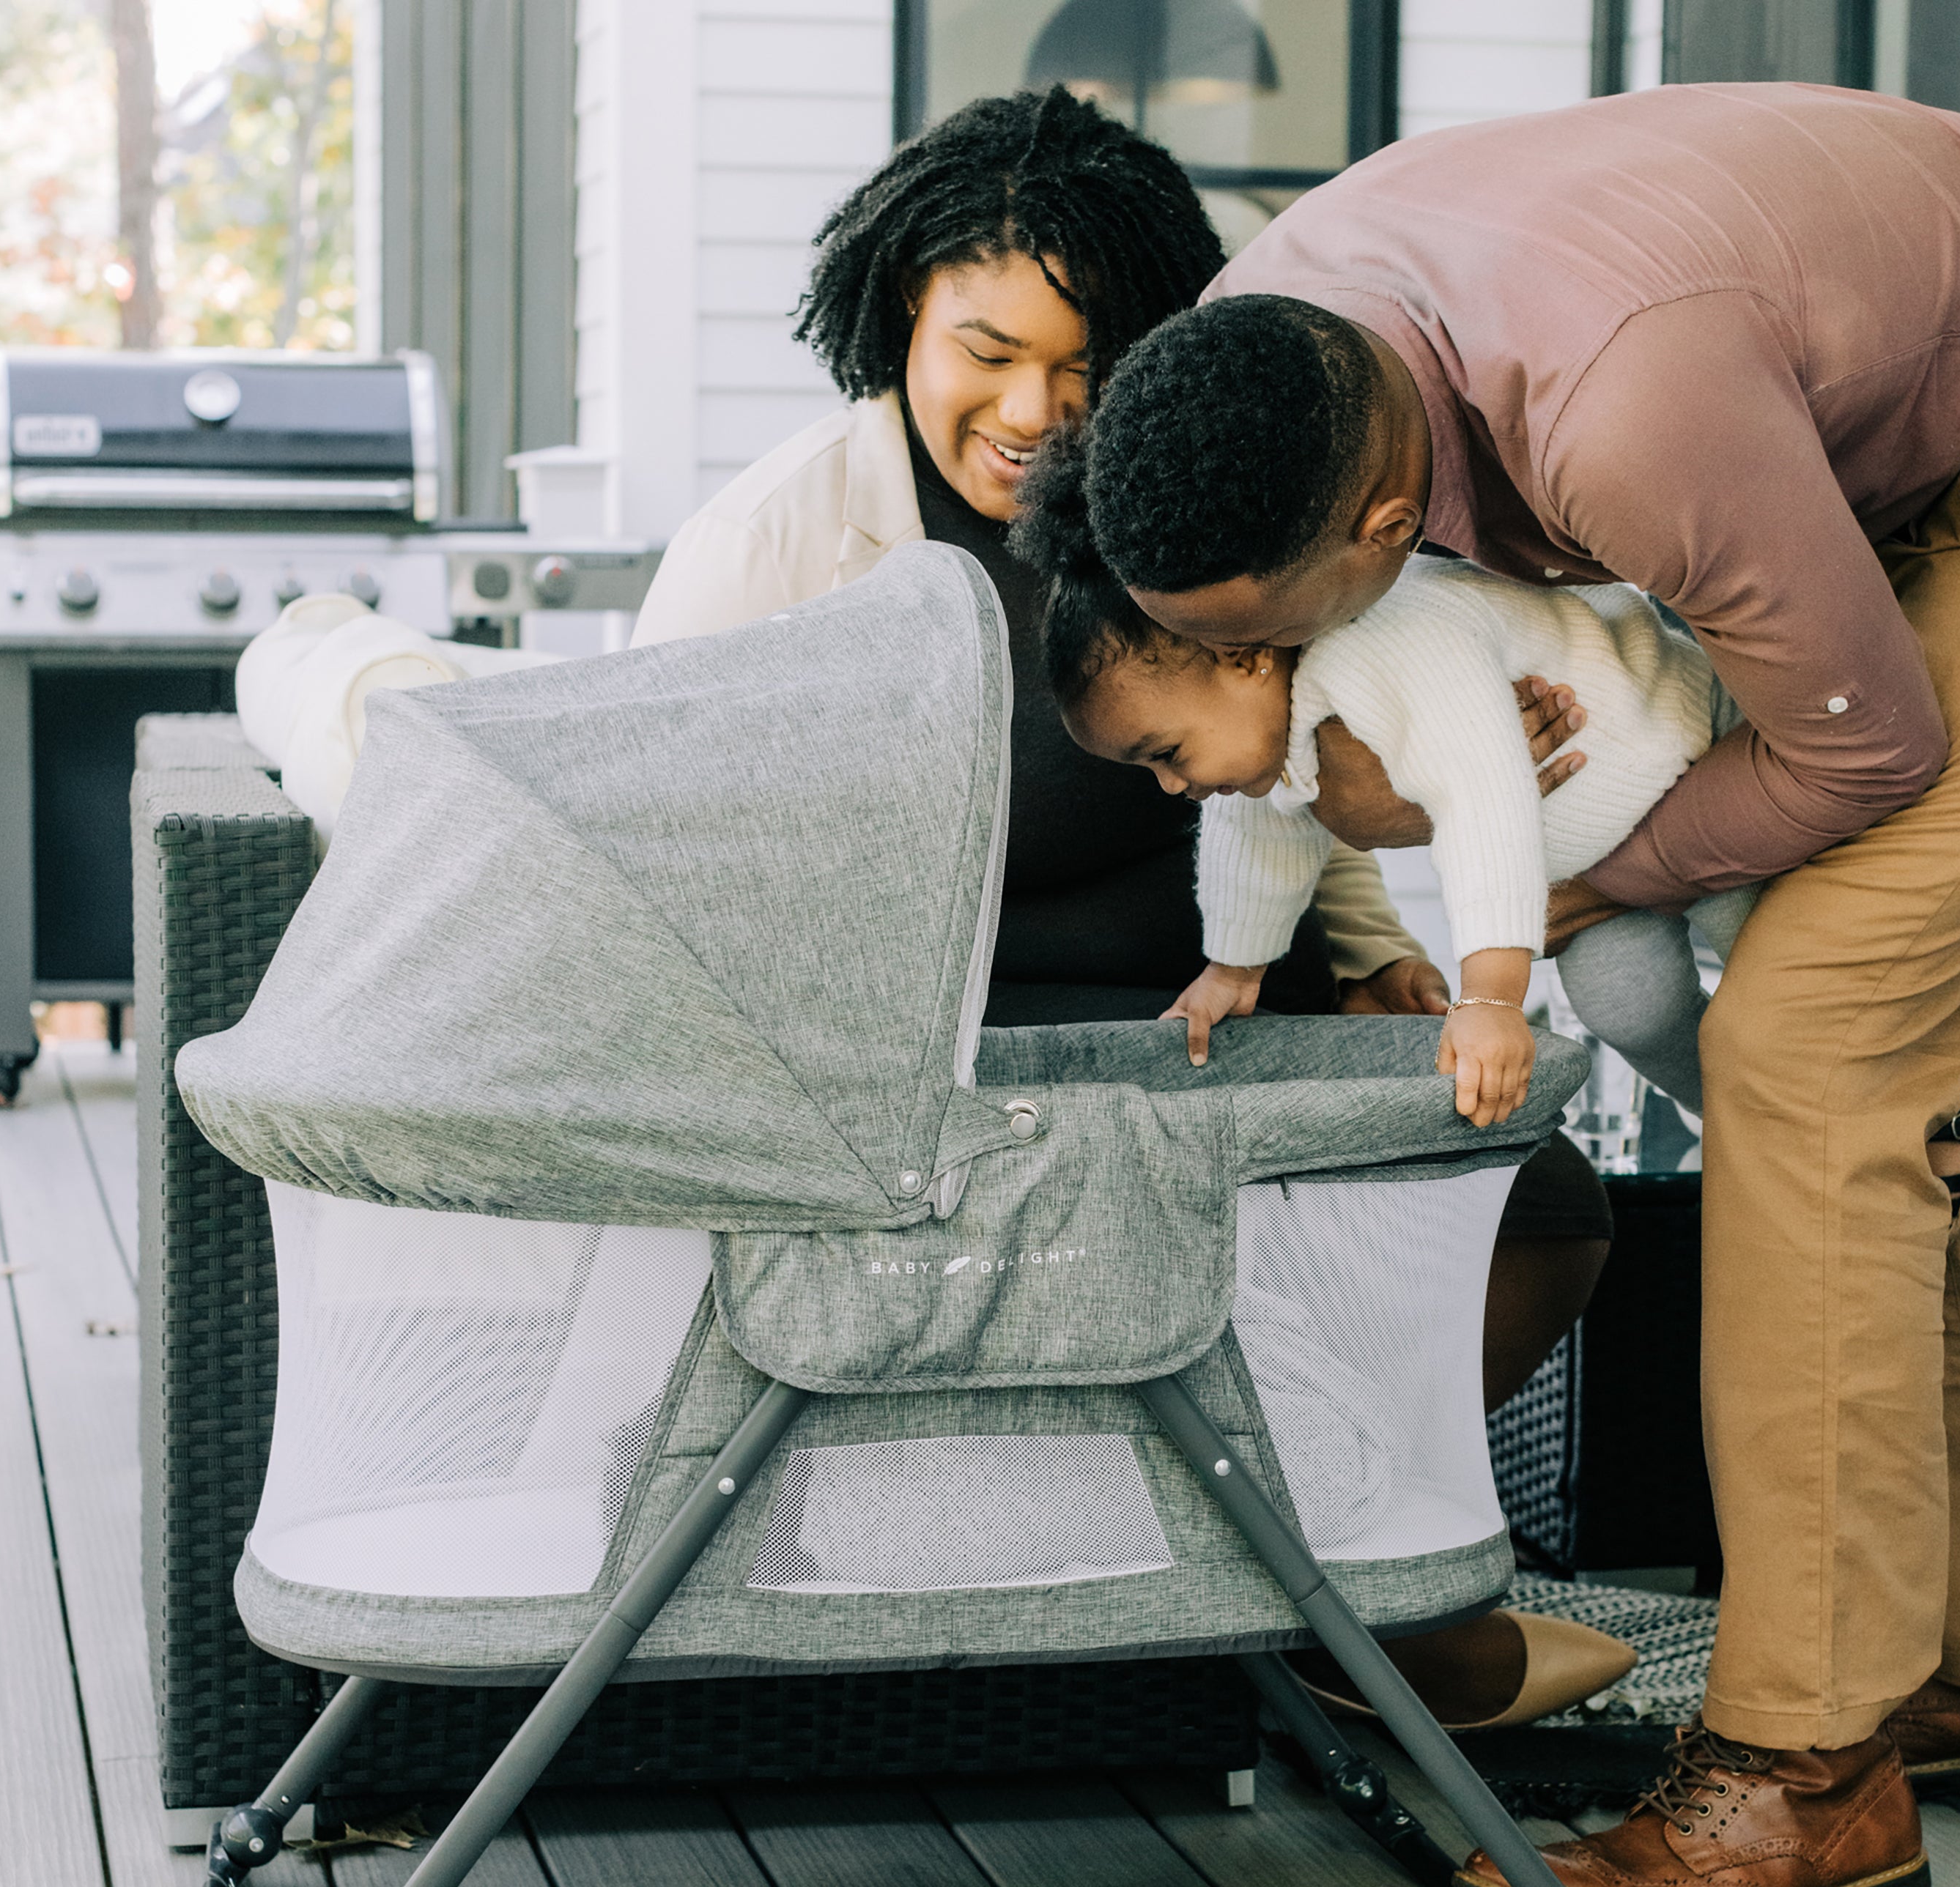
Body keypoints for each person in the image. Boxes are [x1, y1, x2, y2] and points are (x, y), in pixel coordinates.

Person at [1073, 81, 1960, 1887]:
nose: (1257, 689)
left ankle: (1805, 1773)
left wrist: (1569, 882)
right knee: (1917, 1053)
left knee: (1813, 1043)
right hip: (1844, 449)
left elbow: (1864, 742)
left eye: (1266, 643)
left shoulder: (1622, 418)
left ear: (1387, 523)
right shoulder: (1274, 344)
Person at [635, 85, 1632, 1726]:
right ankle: (1311, 1587)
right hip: (959, 1069)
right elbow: (672, 868)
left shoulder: (1185, 496)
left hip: (1216, 1013)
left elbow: (1309, 730)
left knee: (1538, 1212)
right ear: (902, 316)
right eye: (987, 350)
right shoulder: (779, 543)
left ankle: (1314, 1560)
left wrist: (1386, 947)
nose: (1036, 406)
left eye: (1085, 359)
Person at [1010, 423, 1753, 1117]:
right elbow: (1257, 834)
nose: (1174, 786)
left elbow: (1481, 802)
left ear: (1243, 655)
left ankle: (1790, 1107)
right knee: (1626, 1003)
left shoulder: (1387, 646)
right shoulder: (1270, 720)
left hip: (1701, 767)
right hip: (1608, 860)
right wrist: (1234, 971)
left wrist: (1490, 1001)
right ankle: (1737, 1125)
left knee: (1767, 989)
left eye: (1167, 754)